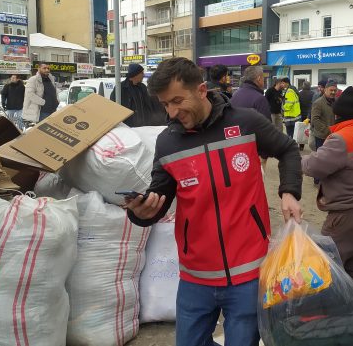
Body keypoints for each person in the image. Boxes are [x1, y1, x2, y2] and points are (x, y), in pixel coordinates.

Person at [125, 57, 303, 346]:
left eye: (177, 101)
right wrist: (142, 213)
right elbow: (159, 197)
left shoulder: (245, 122)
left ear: (201, 90)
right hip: (197, 274)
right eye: (165, 104)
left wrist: (289, 190)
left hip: (248, 269)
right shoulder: (167, 143)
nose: (171, 112)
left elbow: (288, 149)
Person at [301, 86, 353, 293]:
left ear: (338, 113)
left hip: (347, 217)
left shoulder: (341, 139)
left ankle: (332, 315)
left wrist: (294, 159)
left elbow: (314, 166)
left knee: (323, 266)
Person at [309, 80, 337, 184]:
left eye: (335, 90)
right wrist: (327, 131)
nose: (333, 92)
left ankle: (328, 178)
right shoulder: (318, 103)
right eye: (331, 90)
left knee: (331, 159)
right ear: (325, 90)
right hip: (321, 136)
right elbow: (315, 119)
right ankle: (317, 179)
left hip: (333, 135)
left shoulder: (336, 102)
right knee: (321, 159)